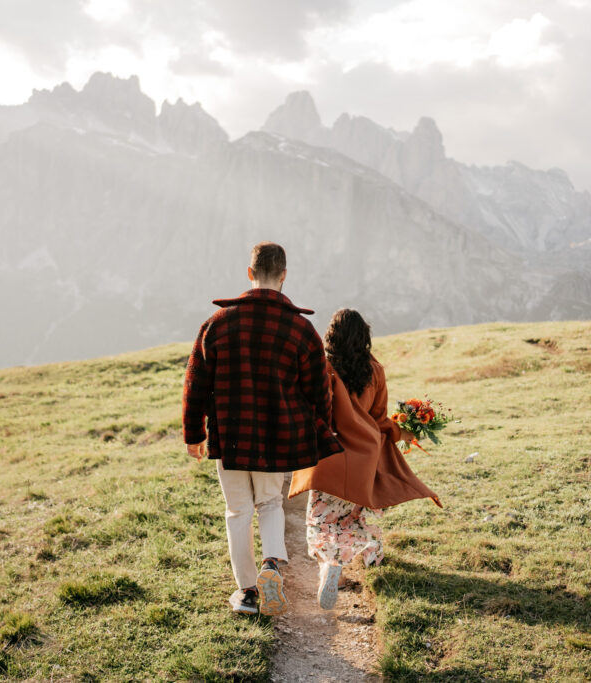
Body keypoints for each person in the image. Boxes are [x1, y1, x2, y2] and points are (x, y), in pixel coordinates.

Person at [182, 242, 342, 616]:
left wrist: (194, 434)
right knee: (270, 504)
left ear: (249, 274)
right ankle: (272, 564)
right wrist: (322, 434)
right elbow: (320, 393)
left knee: (238, 511)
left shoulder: (217, 325)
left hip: (231, 436)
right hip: (278, 438)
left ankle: (248, 593)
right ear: (284, 276)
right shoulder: (302, 329)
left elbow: (195, 384)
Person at [289, 308, 441, 610]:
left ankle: (329, 568)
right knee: (351, 518)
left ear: (331, 335)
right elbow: (379, 419)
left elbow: (312, 409)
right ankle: (341, 568)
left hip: (328, 456)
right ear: (364, 337)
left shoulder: (323, 367)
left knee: (321, 522)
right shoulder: (375, 370)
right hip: (363, 459)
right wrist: (405, 431)